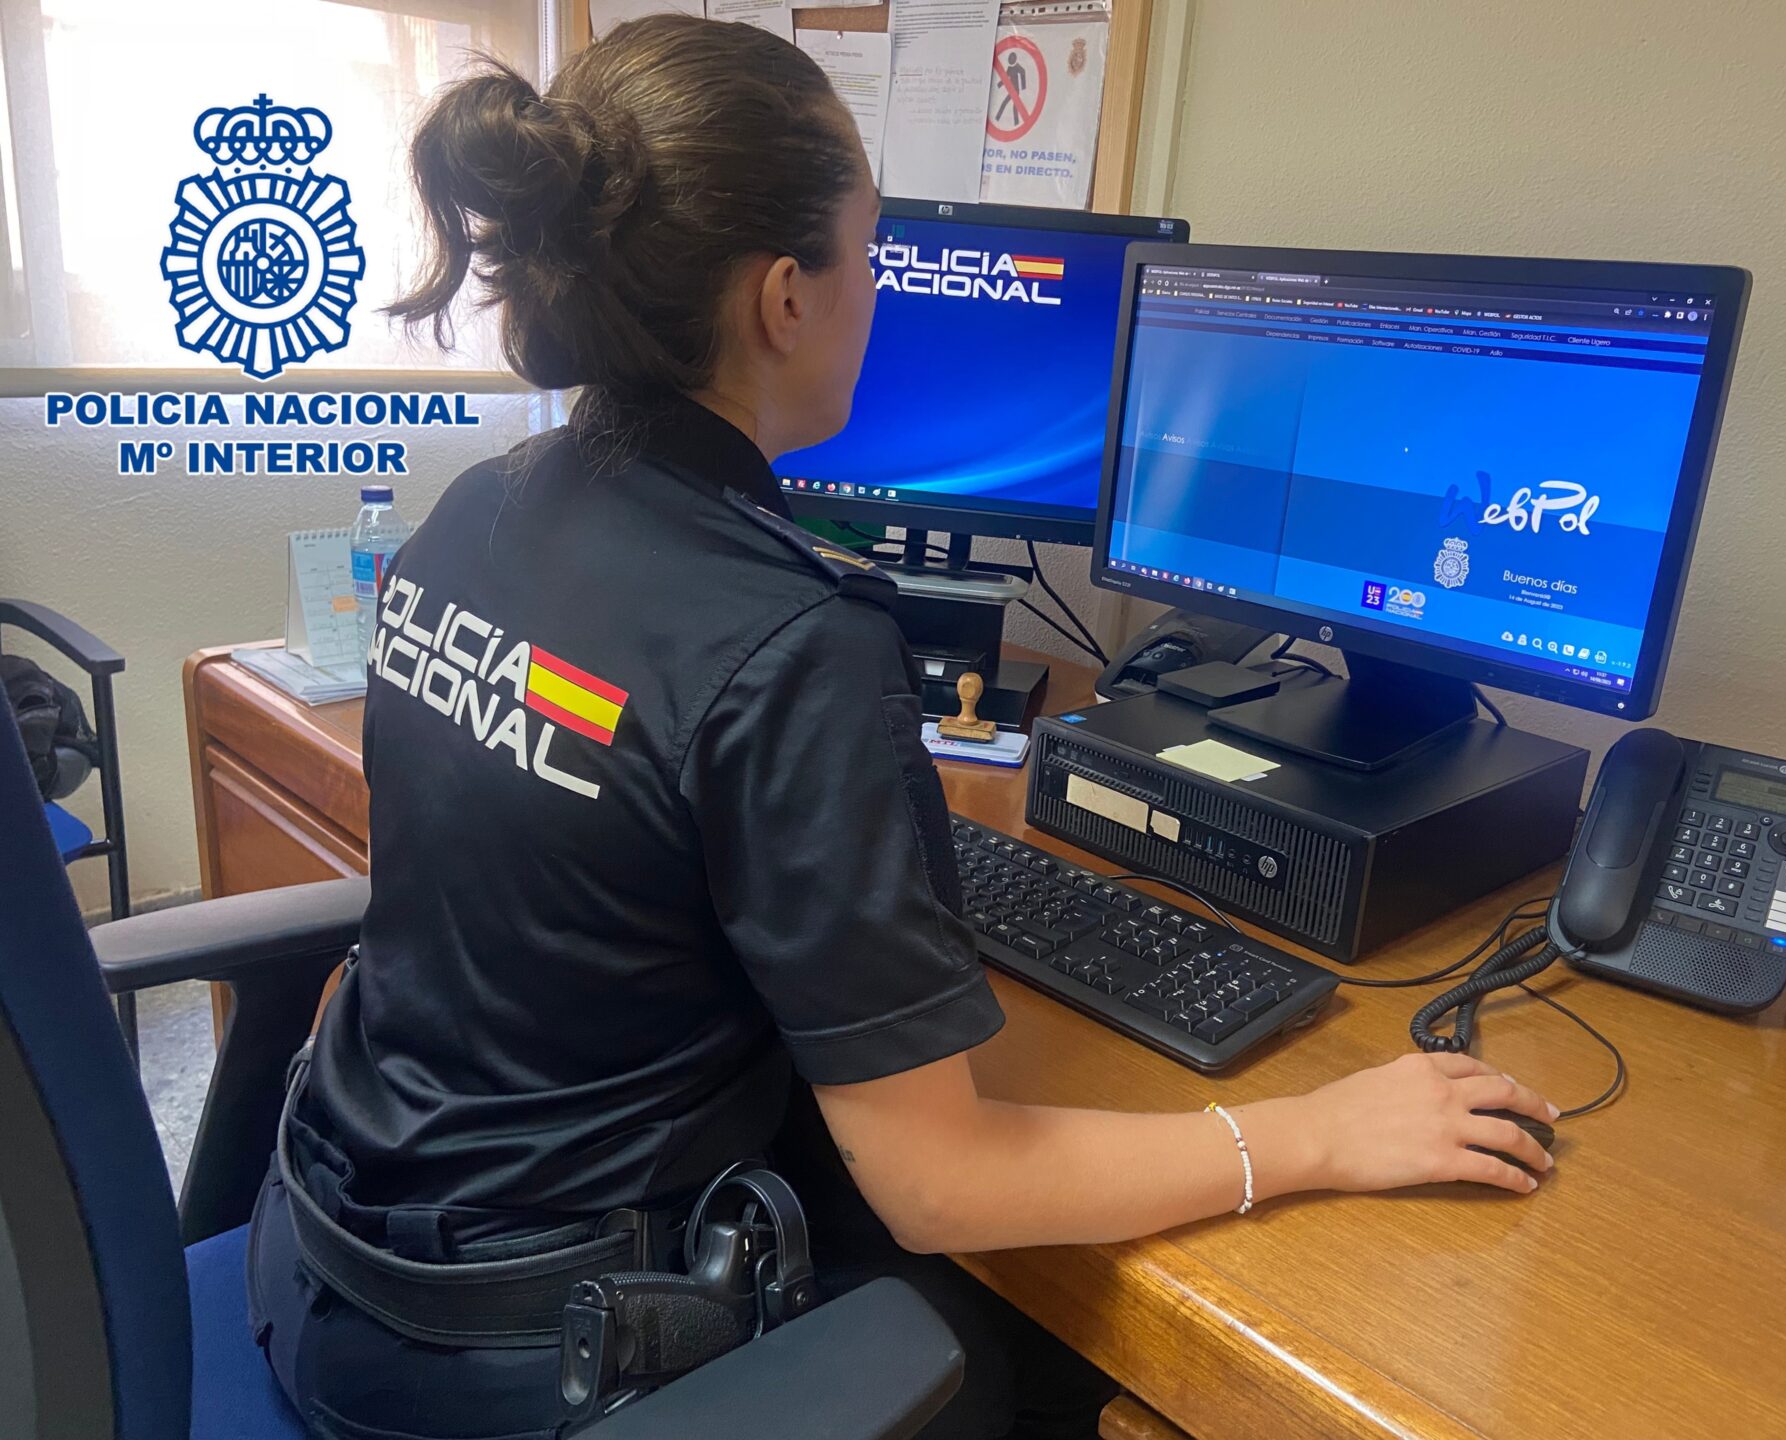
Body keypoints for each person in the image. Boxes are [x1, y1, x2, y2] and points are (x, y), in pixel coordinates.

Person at [246, 15, 1557, 1440]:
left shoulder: (480, 509)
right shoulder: (792, 645)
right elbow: (946, 1186)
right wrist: (1314, 1132)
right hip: (529, 1364)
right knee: (1040, 1363)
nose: (879, 292)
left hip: (329, 1253)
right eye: (869, 254)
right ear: (784, 299)